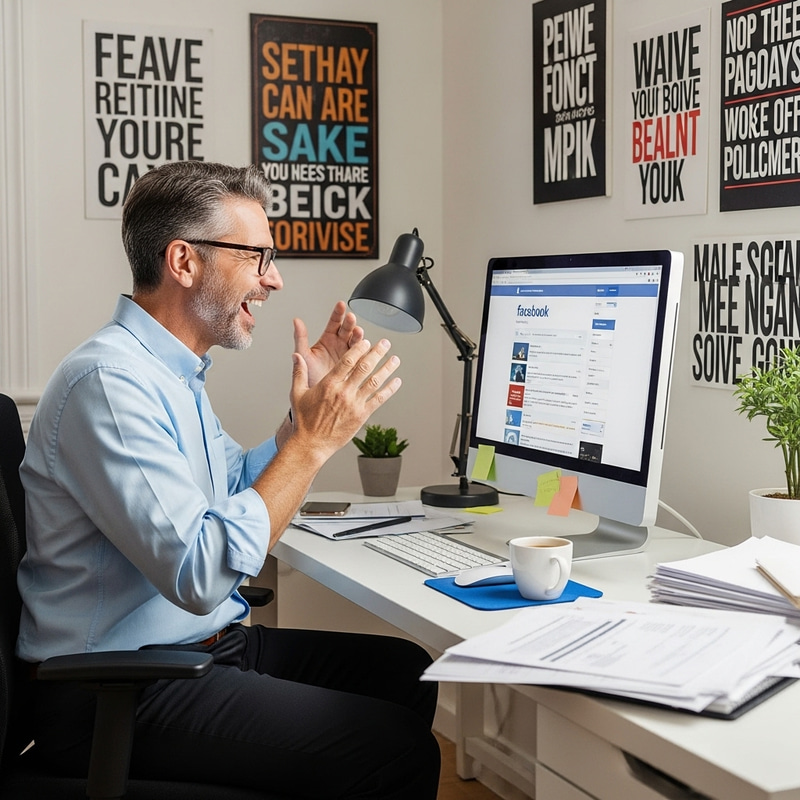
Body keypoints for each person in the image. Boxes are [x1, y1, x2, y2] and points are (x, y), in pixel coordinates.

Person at [16, 161, 440, 798]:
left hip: (203, 648)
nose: (273, 279)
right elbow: (198, 572)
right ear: (184, 262)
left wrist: (300, 424)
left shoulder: (173, 372)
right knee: (392, 748)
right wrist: (316, 443)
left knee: (407, 673)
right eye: (256, 256)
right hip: (114, 691)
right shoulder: (109, 384)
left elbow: (235, 484)